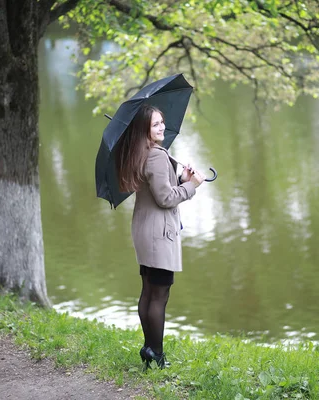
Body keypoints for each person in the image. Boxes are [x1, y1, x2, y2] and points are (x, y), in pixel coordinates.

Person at [115, 104, 205, 369]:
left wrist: (181, 179)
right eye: (155, 124)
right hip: (158, 233)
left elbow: (159, 189)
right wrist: (192, 186)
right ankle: (157, 354)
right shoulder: (155, 155)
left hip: (145, 229)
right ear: (144, 129)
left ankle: (149, 348)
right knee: (159, 294)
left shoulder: (139, 153)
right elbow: (165, 198)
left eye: (162, 122)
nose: (162, 127)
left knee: (148, 291)